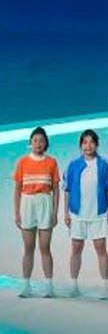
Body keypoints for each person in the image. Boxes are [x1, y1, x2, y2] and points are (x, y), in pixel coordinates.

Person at [63, 128, 108, 298]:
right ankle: (74, 286)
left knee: (101, 249)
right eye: (85, 142)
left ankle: (105, 287)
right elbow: (67, 190)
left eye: (92, 142)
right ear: (80, 145)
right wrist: (65, 213)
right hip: (77, 214)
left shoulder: (104, 164)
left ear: (97, 145)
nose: (88, 146)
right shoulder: (73, 165)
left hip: (98, 214)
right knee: (76, 249)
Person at [13, 127, 59, 298]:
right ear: (30, 143)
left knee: (45, 247)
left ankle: (49, 286)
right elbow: (17, 189)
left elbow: (56, 190)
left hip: (45, 202)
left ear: (46, 143)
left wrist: (55, 212)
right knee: (28, 248)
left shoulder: (52, 162)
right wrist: (17, 213)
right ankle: (26, 286)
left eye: (41, 140)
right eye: (35, 140)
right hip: (27, 203)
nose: (38, 143)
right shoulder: (22, 162)